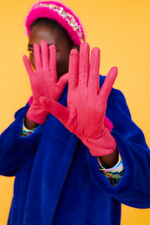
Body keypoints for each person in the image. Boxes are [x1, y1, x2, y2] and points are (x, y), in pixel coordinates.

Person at [0, 1, 150, 225]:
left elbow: (145, 188)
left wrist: (102, 144)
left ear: (75, 52)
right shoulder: (34, 103)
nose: (39, 60)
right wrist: (34, 114)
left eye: (50, 50)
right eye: (33, 50)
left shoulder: (103, 97)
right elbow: (4, 163)